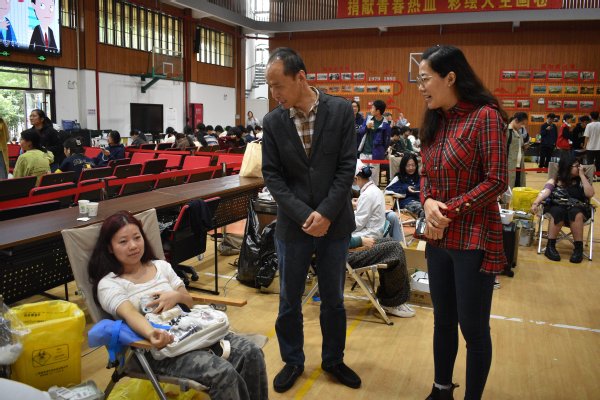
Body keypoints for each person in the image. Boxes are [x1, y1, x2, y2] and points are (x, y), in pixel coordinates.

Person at [261, 47, 360, 393]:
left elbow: (347, 167)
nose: (274, 94)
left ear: (301, 77)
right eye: (270, 87)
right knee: (289, 299)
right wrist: (306, 215)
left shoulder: (340, 110)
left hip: (335, 223)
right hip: (294, 225)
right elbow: (273, 176)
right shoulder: (273, 122)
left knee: (333, 298)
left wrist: (326, 213)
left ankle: (333, 359)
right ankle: (292, 360)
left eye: (278, 85)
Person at [88, 211, 268, 400]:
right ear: (109, 248)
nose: (133, 246)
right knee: (223, 373)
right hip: (157, 349)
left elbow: (188, 301)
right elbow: (129, 313)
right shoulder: (109, 284)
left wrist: (175, 296)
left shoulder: (161, 266)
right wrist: (152, 334)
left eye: (137, 237)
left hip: (193, 331)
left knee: (252, 353)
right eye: (123, 241)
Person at [416, 45, 508, 400]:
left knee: (473, 328)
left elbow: (496, 180)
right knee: (442, 320)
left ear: (450, 78)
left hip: (473, 239)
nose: (421, 87)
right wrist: (427, 202)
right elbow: (426, 173)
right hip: (438, 238)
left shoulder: (485, 116)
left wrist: (447, 211)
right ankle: (441, 389)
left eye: (425, 79)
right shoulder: (435, 120)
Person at [348, 163, 415, 318]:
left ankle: (393, 300)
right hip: (350, 248)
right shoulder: (371, 191)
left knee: (395, 247)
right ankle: (392, 301)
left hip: (358, 240)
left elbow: (350, 226)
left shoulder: (365, 194)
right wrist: (359, 241)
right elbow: (343, 232)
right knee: (394, 249)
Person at [530, 154, 594, 263]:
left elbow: (590, 194)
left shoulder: (583, 180)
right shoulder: (555, 179)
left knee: (576, 213)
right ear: (567, 166)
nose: (579, 167)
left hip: (577, 208)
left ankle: (578, 249)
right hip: (558, 207)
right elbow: (545, 191)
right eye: (576, 166)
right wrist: (535, 203)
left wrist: (582, 175)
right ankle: (550, 247)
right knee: (557, 211)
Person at [357, 99, 391, 186]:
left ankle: (373, 193)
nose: (371, 109)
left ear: (378, 111)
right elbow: (360, 132)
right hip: (364, 152)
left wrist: (381, 151)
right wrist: (366, 127)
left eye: (372, 108)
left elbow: (386, 142)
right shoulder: (368, 119)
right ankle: (362, 193)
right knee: (361, 175)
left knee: (374, 178)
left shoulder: (385, 125)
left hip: (376, 154)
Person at [386, 153, 424, 217]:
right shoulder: (398, 178)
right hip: (407, 203)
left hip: (420, 201)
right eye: (408, 166)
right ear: (403, 166)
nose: (411, 168)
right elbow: (388, 190)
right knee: (421, 208)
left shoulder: (419, 178)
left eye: (413, 165)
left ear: (416, 166)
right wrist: (406, 188)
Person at [506, 112, 529, 188]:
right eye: (522, 123)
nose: (523, 126)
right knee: (509, 188)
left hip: (519, 165)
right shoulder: (506, 131)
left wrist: (524, 147)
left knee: (518, 188)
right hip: (509, 166)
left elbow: (518, 147)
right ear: (516, 120)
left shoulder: (519, 132)